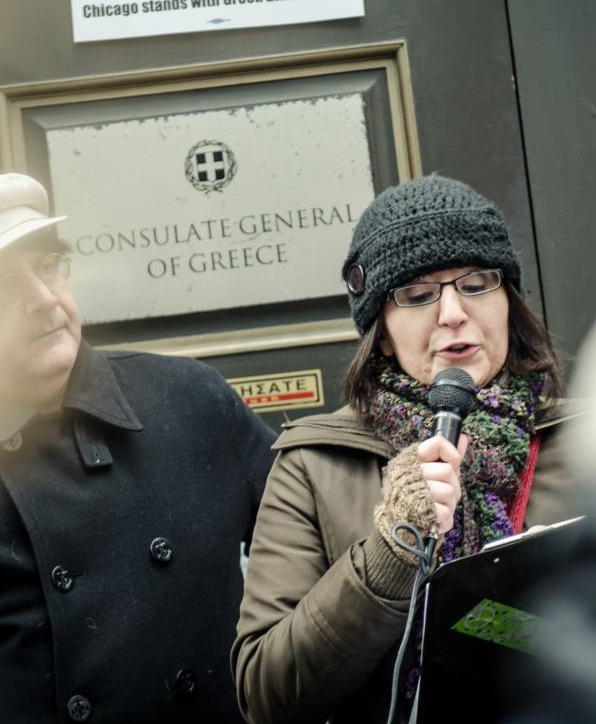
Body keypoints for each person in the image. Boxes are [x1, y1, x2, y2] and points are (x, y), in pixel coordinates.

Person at [232, 174, 575, 724]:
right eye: (417, 295)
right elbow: (267, 695)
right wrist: (391, 552)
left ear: (508, 300)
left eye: (477, 283)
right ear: (382, 333)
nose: (453, 312)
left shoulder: (591, 444)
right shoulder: (313, 465)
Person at [0, 172, 275, 723]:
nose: (43, 300)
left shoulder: (189, 400)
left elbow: (314, 546)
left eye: (48, 266)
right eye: (1, 287)